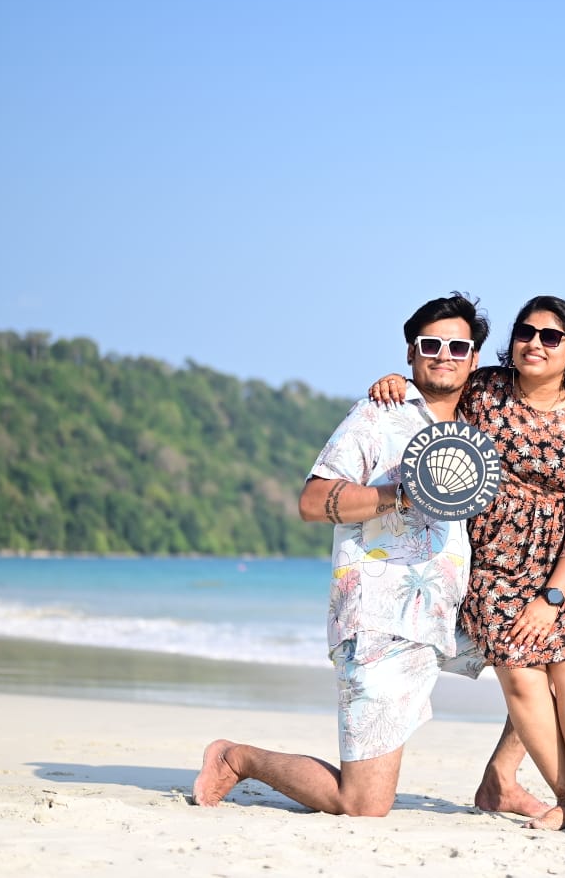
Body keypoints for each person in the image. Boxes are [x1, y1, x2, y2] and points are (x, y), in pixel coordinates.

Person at [193, 294, 546, 819]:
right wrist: (400, 495)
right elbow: (312, 502)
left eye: (457, 347)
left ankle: (500, 781)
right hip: (381, 618)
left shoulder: (481, 419)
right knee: (362, 804)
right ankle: (236, 757)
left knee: (553, 650)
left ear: (474, 359)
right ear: (411, 352)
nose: (443, 355)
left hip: (454, 611)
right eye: (430, 344)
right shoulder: (377, 414)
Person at [372, 294, 565, 838]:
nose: (534, 343)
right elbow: (437, 386)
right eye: (525, 332)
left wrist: (553, 598)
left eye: (550, 337)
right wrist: (397, 380)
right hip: (492, 563)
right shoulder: (485, 389)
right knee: (520, 669)